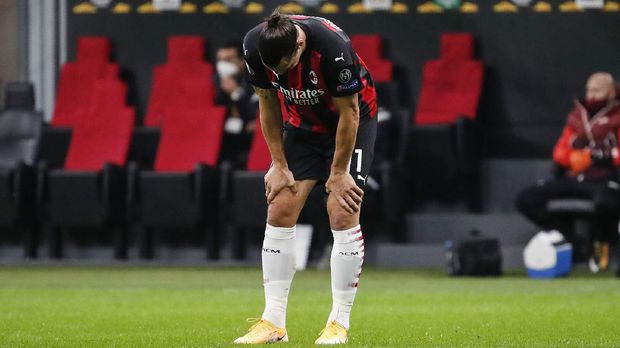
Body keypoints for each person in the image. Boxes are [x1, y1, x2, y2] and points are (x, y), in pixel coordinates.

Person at [233, 11, 377, 345]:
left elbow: (350, 112)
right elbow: (268, 105)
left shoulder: (334, 47)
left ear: (299, 44)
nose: (282, 75)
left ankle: (338, 323)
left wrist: (339, 173)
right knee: (279, 206)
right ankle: (273, 324)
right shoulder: (255, 46)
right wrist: (278, 164)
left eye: (286, 67)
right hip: (303, 126)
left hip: (352, 122)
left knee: (342, 210)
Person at [516, 72, 620, 273]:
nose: (591, 95)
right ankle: (570, 241)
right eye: (589, 89)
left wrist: (596, 157)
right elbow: (561, 151)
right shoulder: (577, 116)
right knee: (527, 198)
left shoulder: (616, 115)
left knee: (607, 202)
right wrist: (572, 158)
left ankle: (601, 242)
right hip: (574, 176)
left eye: (597, 90)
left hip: (604, 178)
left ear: (610, 92)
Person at [214, 41, 258, 166]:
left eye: (228, 60)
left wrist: (236, 92)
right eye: (220, 60)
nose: (222, 65)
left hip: (247, 141)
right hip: (223, 139)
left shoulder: (254, 82)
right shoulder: (215, 82)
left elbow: (254, 117)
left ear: (242, 61)